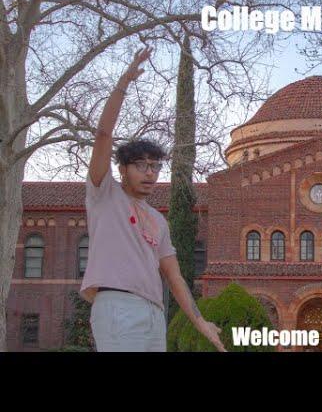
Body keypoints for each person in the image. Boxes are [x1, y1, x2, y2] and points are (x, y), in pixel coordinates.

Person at [79, 47, 226, 352]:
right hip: (117, 304)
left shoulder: (159, 221)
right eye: (141, 165)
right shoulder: (104, 195)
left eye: (155, 166)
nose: (150, 173)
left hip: (153, 311)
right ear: (123, 168)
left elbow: (174, 276)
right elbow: (104, 135)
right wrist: (124, 82)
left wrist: (200, 322)